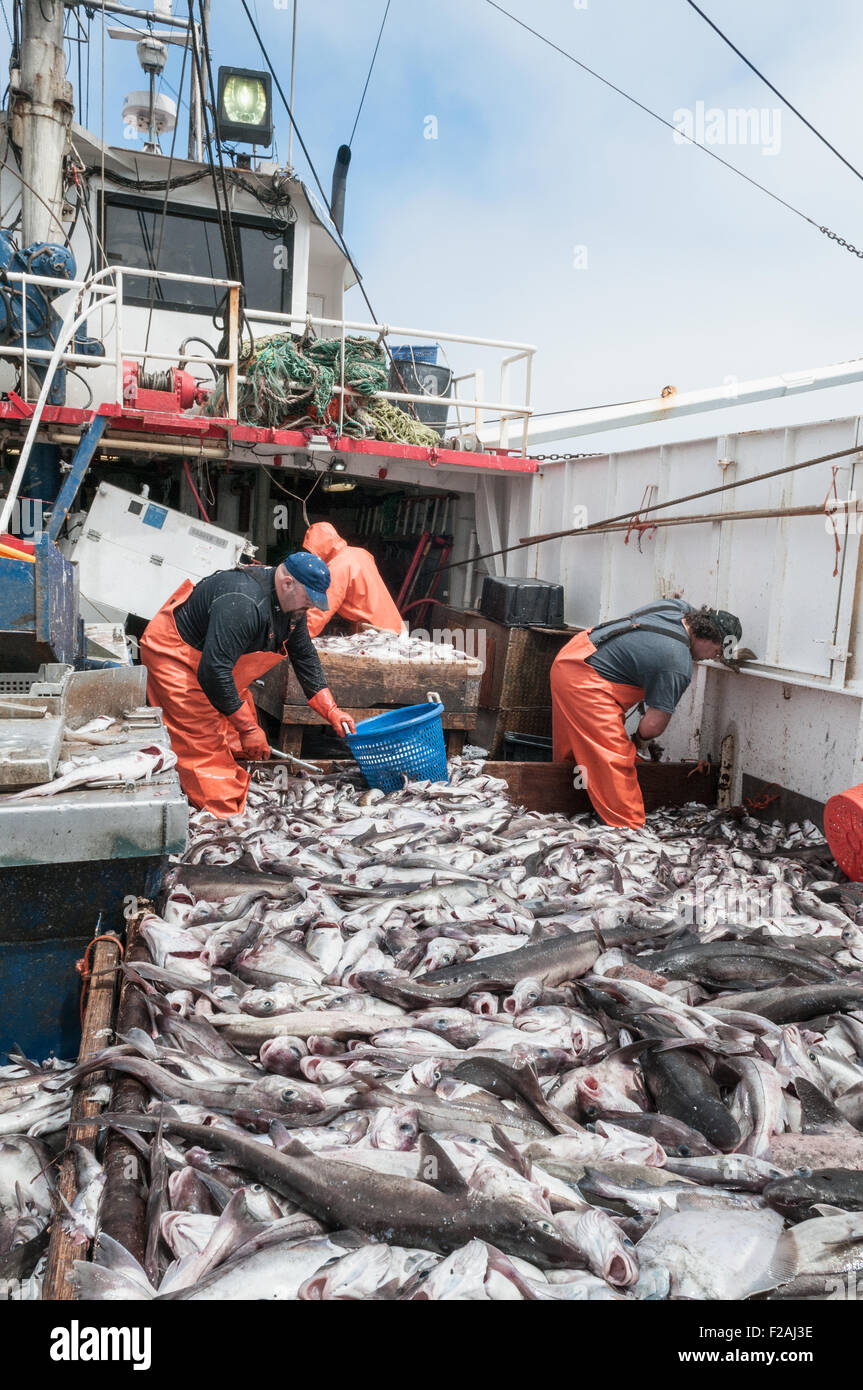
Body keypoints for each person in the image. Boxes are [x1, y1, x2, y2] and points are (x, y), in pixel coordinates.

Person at [140, 553, 357, 817]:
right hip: (178, 659)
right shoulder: (243, 603)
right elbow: (214, 673)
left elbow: (303, 654)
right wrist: (248, 728)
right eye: (309, 600)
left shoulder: (291, 606)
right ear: (288, 583)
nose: (310, 608)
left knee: (239, 740)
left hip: (218, 664)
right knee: (201, 745)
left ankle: (236, 773)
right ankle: (223, 814)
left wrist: (331, 710)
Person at [550, 599, 742, 829]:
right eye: (717, 652)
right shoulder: (677, 663)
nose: (712, 657)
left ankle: (564, 799)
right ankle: (627, 830)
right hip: (586, 682)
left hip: (576, 652)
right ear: (707, 639)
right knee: (614, 757)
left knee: (578, 747)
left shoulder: (677, 608)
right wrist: (638, 742)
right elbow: (653, 726)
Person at [302, 520, 403, 637]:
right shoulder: (361, 553)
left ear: (319, 549)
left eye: (312, 552)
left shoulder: (338, 567)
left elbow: (320, 611)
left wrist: (295, 641)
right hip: (394, 628)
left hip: (379, 635)